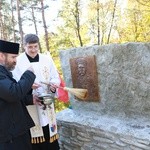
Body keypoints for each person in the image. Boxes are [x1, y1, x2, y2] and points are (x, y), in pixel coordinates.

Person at [12, 34, 60, 150]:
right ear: (24, 46)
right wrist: (28, 86)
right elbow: (14, 83)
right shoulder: (18, 62)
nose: (33, 50)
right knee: (34, 134)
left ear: (38, 45)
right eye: (30, 47)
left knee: (50, 132)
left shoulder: (47, 59)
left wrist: (54, 85)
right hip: (30, 103)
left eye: (35, 46)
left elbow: (55, 77)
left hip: (46, 101)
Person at [0, 39, 37, 150]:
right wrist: (29, 74)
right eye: (13, 57)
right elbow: (13, 93)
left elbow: (6, 97)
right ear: (1, 56)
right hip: (9, 135)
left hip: (15, 131)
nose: (15, 61)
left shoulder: (3, 72)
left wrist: (30, 99)